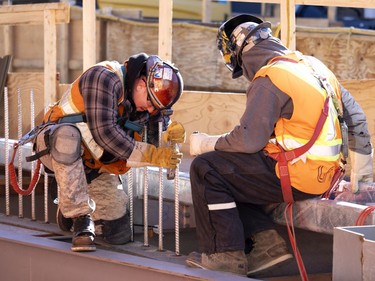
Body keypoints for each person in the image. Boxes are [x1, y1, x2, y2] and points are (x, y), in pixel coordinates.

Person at [185, 14, 373, 277]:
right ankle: (266, 245)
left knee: (208, 168)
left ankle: (224, 254)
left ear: (240, 55)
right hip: (326, 177)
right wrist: (362, 173)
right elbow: (356, 118)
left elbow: (249, 140)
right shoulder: (313, 67)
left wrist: (205, 143)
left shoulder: (270, 77)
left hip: (297, 177)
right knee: (237, 170)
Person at [30, 53, 185, 252]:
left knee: (117, 233)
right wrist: (152, 156)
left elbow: (152, 136)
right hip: (57, 147)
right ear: (141, 83)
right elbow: (106, 134)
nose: (150, 109)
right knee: (67, 137)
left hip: (95, 165)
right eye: (150, 102)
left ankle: (68, 209)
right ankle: (80, 217)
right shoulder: (104, 78)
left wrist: (166, 136)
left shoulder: (143, 102)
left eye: (156, 108)